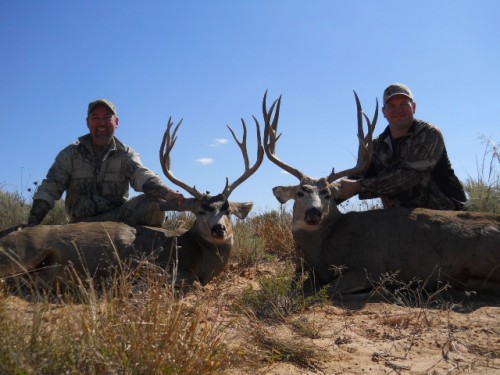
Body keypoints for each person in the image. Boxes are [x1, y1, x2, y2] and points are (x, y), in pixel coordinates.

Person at [28, 98, 185, 227]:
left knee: (154, 203)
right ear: (87, 122)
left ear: (116, 122)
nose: (101, 123)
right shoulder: (70, 154)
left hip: (118, 223)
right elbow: (50, 188)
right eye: (95, 117)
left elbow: (142, 175)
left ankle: (146, 255)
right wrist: (31, 226)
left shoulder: (126, 154)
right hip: (80, 226)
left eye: (107, 118)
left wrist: (167, 193)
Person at [339, 83, 466, 210]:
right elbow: (357, 179)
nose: (398, 110)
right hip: (402, 219)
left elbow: (409, 177)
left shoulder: (428, 134)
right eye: (392, 105)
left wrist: (360, 186)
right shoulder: (377, 146)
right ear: (384, 111)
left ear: (414, 107)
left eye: (403, 104)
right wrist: (327, 191)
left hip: (446, 215)